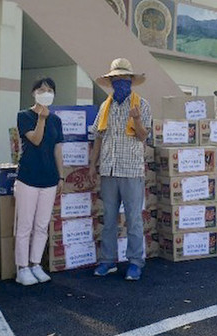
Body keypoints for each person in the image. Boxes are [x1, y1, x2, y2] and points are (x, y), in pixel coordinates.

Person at [89, 58, 151, 281]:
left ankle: (135, 262)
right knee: (109, 218)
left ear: (131, 82)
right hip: (109, 170)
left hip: (131, 170)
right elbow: (98, 136)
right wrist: (92, 165)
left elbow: (144, 137)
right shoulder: (105, 106)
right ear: (112, 82)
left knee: (133, 219)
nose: (120, 84)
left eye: (124, 80)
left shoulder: (141, 105)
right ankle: (108, 260)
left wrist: (136, 120)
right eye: (116, 80)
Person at [14, 78, 64, 286]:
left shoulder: (56, 120)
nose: (46, 93)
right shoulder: (24, 116)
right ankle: (22, 268)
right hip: (28, 177)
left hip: (49, 178)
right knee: (25, 225)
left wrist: (61, 176)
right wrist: (41, 119)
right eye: (42, 90)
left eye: (50, 90)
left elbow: (57, 149)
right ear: (33, 93)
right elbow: (35, 139)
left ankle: (36, 264)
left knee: (42, 225)